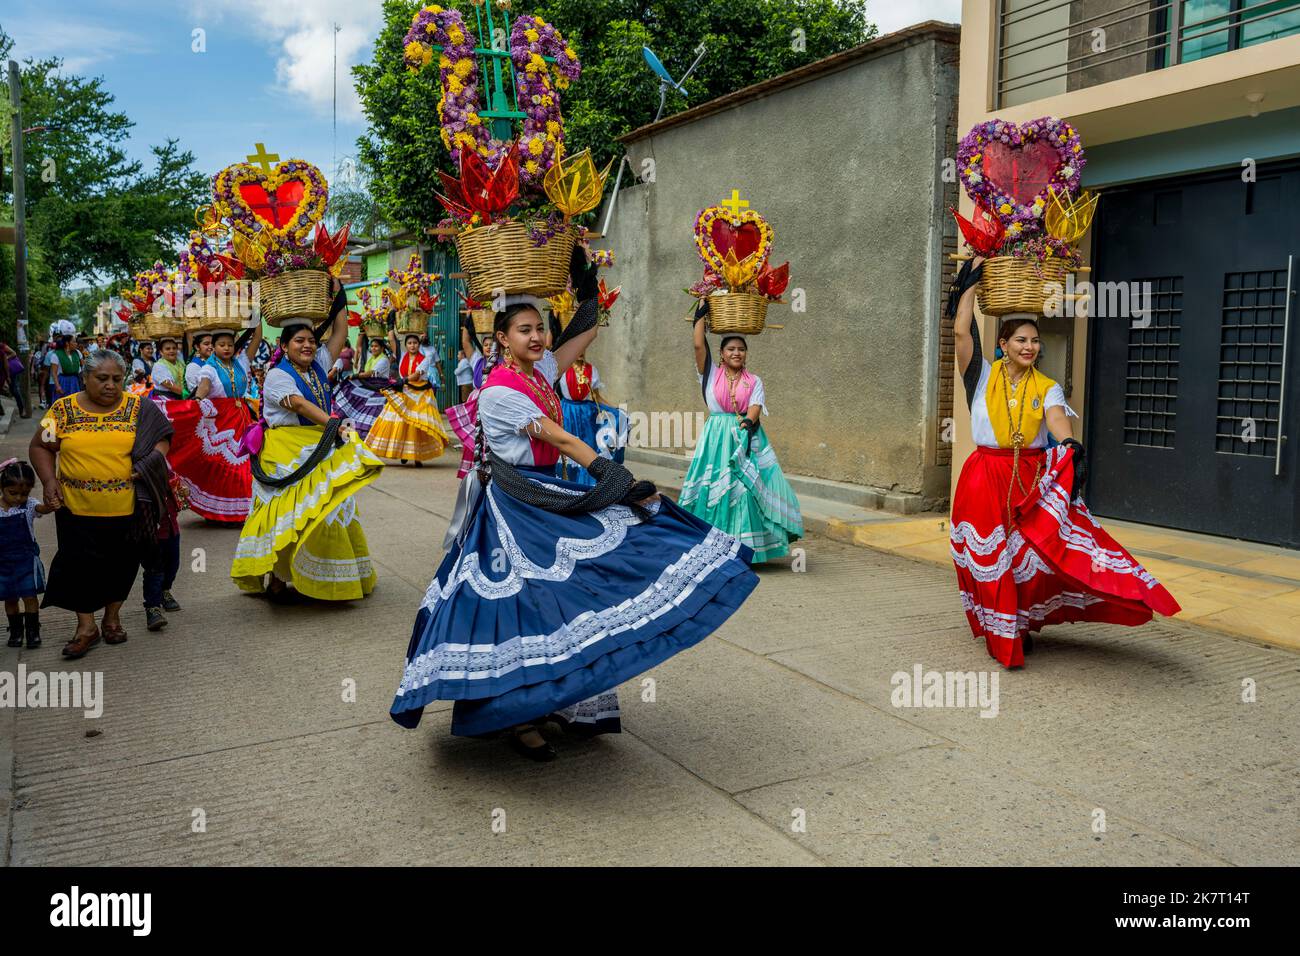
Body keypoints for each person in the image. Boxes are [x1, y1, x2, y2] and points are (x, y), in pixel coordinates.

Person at [389, 249, 760, 761]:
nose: (537, 337)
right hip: (516, 506)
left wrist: (586, 281)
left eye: (539, 328)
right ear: (501, 338)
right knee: (526, 606)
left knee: (570, 598)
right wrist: (617, 479)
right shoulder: (499, 391)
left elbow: (585, 331)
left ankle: (565, 702)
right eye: (524, 330)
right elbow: (562, 440)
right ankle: (518, 718)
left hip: (549, 495)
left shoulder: (541, 371)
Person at [948, 258, 1181, 668]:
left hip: (1030, 479)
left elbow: (1057, 422)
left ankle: (1019, 623)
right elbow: (961, 330)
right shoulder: (980, 376)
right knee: (992, 557)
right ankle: (1005, 629)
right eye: (1020, 340)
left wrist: (1071, 445)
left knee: (1028, 558)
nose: (1029, 347)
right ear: (1003, 344)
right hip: (983, 477)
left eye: (1034, 341)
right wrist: (970, 283)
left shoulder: (1048, 387)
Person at [231, 283, 384, 602]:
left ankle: (321, 576)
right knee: (288, 514)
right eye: (299, 341)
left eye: (312, 341)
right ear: (284, 346)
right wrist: (335, 424)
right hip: (285, 451)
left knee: (328, 509)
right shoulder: (276, 376)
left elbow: (341, 329)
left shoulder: (318, 365)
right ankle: (276, 575)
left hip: (318, 446)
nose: (308, 346)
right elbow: (299, 405)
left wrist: (338, 294)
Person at [29, 350, 174, 659]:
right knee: (77, 566)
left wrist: (152, 461)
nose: (110, 385)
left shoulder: (139, 409)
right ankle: (86, 628)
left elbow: (163, 436)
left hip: (126, 506)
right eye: (102, 378)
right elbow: (42, 445)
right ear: (85, 378)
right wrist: (49, 481)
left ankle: (112, 618)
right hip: (75, 507)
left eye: (117, 379)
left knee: (120, 565)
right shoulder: (62, 410)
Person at [678, 301, 804, 563]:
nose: (737, 353)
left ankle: (744, 550)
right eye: (731, 349)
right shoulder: (709, 374)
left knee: (745, 490)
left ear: (746, 354)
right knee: (711, 488)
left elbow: (755, 406)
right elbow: (699, 345)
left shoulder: (754, 380)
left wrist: (747, 423)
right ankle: (709, 547)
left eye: (741, 350)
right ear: (722, 354)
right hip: (716, 438)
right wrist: (702, 309)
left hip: (745, 436)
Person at [364, 329, 450, 466]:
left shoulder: (425, 359)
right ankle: (403, 452)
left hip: (421, 393)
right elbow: (392, 340)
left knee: (417, 424)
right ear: (406, 345)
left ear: (418, 344)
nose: (412, 345)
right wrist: (392, 325)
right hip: (405, 390)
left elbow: (416, 375)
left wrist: (403, 380)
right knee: (400, 422)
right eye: (409, 343)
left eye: (415, 343)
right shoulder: (402, 356)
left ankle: (417, 457)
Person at [2, 460, 56, 649]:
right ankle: (16, 631)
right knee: (9, 599)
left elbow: (43, 509)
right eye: (13, 493)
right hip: (3, 564)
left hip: (25, 562)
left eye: (24, 494)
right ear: (2, 488)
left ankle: (32, 631)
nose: (18, 498)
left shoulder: (29, 506)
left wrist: (51, 503)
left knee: (30, 596)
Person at [556, 348, 626, 487]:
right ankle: (566, 481)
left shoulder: (591, 370)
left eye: (583, 349)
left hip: (586, 415)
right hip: (567, 412)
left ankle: (585, 484)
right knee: (567, 447)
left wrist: (616, 410)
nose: (580, 352)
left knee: (587, 447)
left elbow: (597, 397)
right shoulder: (561, 368)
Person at [50, 335, 83, 400]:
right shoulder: (56, 355)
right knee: (63, 401)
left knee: (75, 402)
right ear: (67, 343)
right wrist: (57, 386)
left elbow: (84, 366)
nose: (76, 344)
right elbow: (54, 372)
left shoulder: (77, 353)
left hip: (75, 380)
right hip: (63, 381)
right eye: (74, 342)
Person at [2, 340, 28, 419]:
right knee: (13, 390)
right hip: (3, 371)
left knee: (15, 390)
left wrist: (5, 358)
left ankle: (22, 410)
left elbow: (14, 353)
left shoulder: (2, 346)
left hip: (10, 370)